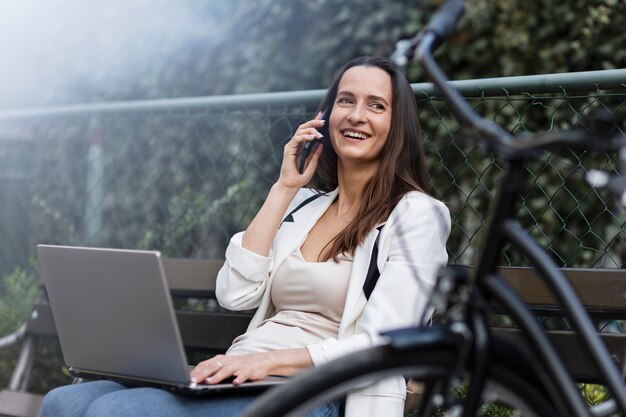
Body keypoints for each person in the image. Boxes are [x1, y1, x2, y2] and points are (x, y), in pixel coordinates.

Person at [39, 55, 450, 417]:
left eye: (376, 105)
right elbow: (235, 293)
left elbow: (384, 344)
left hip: (322, 392)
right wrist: (283, 188)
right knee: (65, 402)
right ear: (326, 114)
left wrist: (267, 362)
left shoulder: (416, 215)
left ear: (398, 126)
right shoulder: (304, 205)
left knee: (120, 411)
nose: (356, 115)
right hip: (244, 375)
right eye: (346, 100)